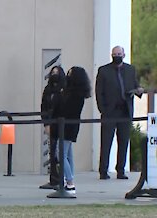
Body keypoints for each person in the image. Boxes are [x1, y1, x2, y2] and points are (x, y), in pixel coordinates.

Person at [96, 46, 144, 180]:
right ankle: (103, 170)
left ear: (124, 55)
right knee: (106, 142)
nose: (117, 56)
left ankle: (121, 170)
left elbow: (135, 85)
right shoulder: (104, 70)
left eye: (119, 54)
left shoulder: (130, 70)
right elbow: (99, 92)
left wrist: (138, 90)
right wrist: (103, 109)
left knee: (123, 141)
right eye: (114, 54)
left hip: (125, 111)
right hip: (110, 112)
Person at [50, 66, 91, 194]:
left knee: (60, 154)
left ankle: (70, 182)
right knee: (68, 154)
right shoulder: (73, 92)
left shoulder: (75, 94)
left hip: (67, 126)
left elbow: (66, 109)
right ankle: (68, 180)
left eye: (70, 73)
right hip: (68, 125)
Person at [39, 66, 66, 190]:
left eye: (57, 72)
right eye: (53, 72)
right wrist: (46, 124)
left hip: (61, 124)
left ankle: (63, 179)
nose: (54, 74)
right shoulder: (48, 90)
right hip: (50, 124)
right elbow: (43, 107)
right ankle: (54, 179)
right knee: (52, 153)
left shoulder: (64, 89)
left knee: (62, 154)